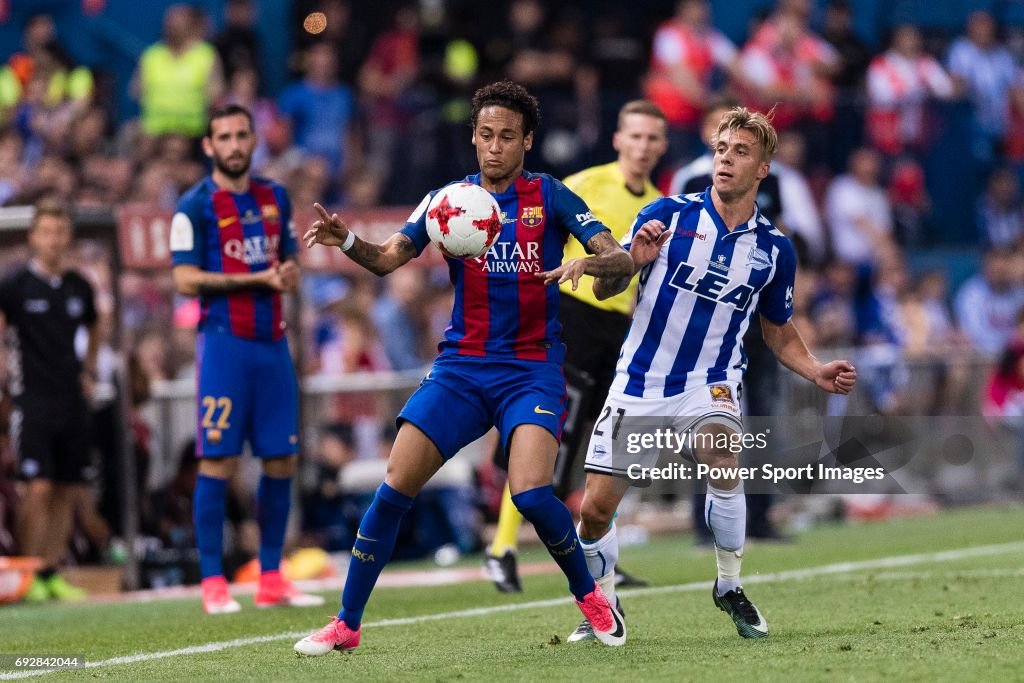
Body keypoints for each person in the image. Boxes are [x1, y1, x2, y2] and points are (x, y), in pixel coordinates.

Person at [294, 80, 636, 655]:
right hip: (462, 368)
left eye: (507, 136)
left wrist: (594, 267)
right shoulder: (446, 202)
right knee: (395, 484)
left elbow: (620, 258)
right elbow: (384, 260)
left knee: (529, 493)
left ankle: (592, 596)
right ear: (473, 138)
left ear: (527, 140)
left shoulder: (550, 196)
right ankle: (346, 624)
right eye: (485, 135)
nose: (495, 146)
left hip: (531, 369)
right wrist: (347, 239)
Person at [568, 107, 857, 643]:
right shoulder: (668, 215)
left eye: (740, 151)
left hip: (713, 379)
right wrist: (634, 258)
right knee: (596, 508)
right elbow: (610, 290)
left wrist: (814, 369)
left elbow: (777, 329)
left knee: (722, 452)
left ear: (763, 167)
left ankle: (729, 585)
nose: (726, 159)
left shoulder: (774, 250)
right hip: (639, 380)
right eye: (721, 149)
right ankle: (604, 602)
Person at [484, 100, 669, 593]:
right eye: (636, 136)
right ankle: (501, 548)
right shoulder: (586, 184)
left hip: (620, 333)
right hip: (571, 318)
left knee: (607, 441)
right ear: (617, 139)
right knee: (548, 436)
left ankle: (604, 548)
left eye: (652, 139)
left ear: (662, 146)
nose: (643, 146)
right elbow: (536, 234)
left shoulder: (659, 203)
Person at [170, 104, 323, 614]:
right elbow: (185, 280)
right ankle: (213, 581)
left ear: (254, 140)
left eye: (242, 135)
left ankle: (272, 577)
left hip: (273, 345)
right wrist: (256, 280)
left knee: (281, 459)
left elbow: (289, 258)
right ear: (208, 146)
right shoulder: (192, 206)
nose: (234, 145)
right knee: (217, 461)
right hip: (224, 347)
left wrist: (292, 271)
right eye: (224, 137)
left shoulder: (274, 196)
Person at [0, 198, 98, 602]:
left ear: (68, 237)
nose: (54, 240)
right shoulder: (15, 285)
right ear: (33, 237)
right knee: (37, 486)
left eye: (60, 232)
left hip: (71, 399)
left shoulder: (79, 286)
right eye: (47, 232)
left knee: (67, 487)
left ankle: (51, 571)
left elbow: (96, 325)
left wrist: (88, 370)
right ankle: (27, 569)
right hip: (32, 399)